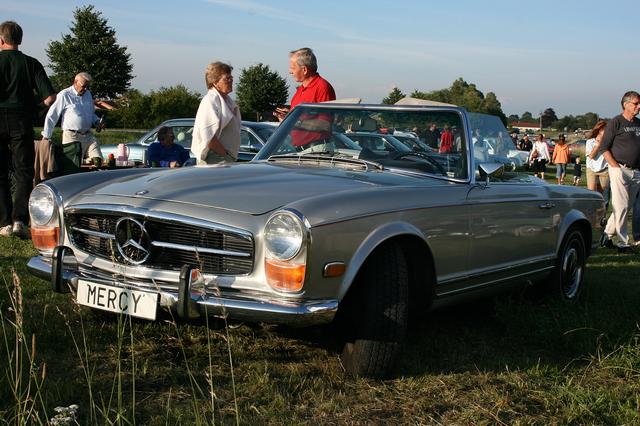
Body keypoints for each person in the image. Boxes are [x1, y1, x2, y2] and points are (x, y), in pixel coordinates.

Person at [0, 21, 56, 238]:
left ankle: (4, 222)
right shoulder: (31, 63)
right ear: (20, 40)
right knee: (24, 171)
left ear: (1, 40)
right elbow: (50, 97)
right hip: (21, 120)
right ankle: (19, 220)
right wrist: (34, 110)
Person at [599, 91, 640, 252]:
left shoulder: (638, 123)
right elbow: (604, 148)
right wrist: (615, 167)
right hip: (619, 169)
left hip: (636, 171)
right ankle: (623, 243)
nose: (639, 107)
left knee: (626, 206)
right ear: (625, 104)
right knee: (620, 206)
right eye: (636, 103)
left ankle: (607, 235)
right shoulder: (616, 122)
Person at [41, 72, 104, 167]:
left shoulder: (88, 94)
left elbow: (91, 114)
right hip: (72, 136)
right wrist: (46, 136)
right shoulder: (65, 94)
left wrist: (97, 121)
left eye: (88, 86)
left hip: (88, 136)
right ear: (75, 82)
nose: (86, 89)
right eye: (84, 86)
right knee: (72, 167)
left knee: (98, 162)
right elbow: (52, 115)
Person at [190, 61, 241, 165]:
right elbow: (208, 135)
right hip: (214, 158)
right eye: (227, 78)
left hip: (224, 158)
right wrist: (225, 155)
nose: (231, 80)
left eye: (231, 77)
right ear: (215, 82)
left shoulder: (227, 101)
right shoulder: (210, 100)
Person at [274, 47, 336, 121]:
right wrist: (288, 117)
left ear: (304, 70)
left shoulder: (322, 88)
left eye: (293, 68)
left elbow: (325, 122)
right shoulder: (301, 89)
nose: (290, 72)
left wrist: (295, 120)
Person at [585, 120, 609, 202]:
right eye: (604, 130)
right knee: (591, 192)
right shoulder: (590, 142)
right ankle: (591, 208)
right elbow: (591, 156)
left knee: (600, 195)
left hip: (604, 170)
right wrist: (598, 145)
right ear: (599, 130)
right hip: (591, 169)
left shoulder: (609, 142)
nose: (606, 132)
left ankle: (599, 208)